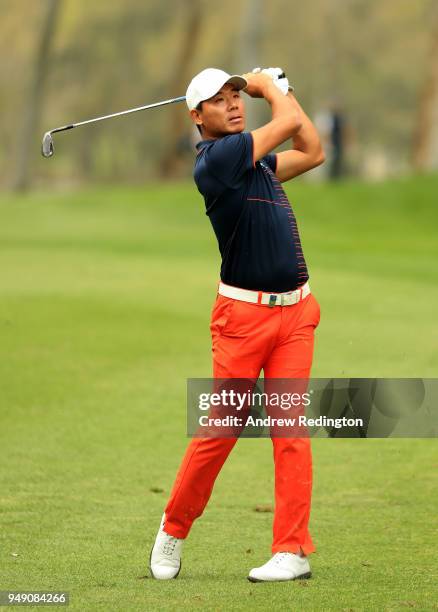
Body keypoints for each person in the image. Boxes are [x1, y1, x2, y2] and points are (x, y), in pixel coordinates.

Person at [150, 67, 325, 582]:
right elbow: (289, 120)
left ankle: (291, 549)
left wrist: (281, 87)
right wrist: (268, 85)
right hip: (243, 320)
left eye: (234, 94)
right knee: (221, 429)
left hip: (295, 313)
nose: (232, 104)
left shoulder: (257, 163)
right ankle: (174, 528)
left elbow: (313, 150)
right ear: (196, 116)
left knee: (290, 430)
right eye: (218, 100)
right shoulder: (218, 161)